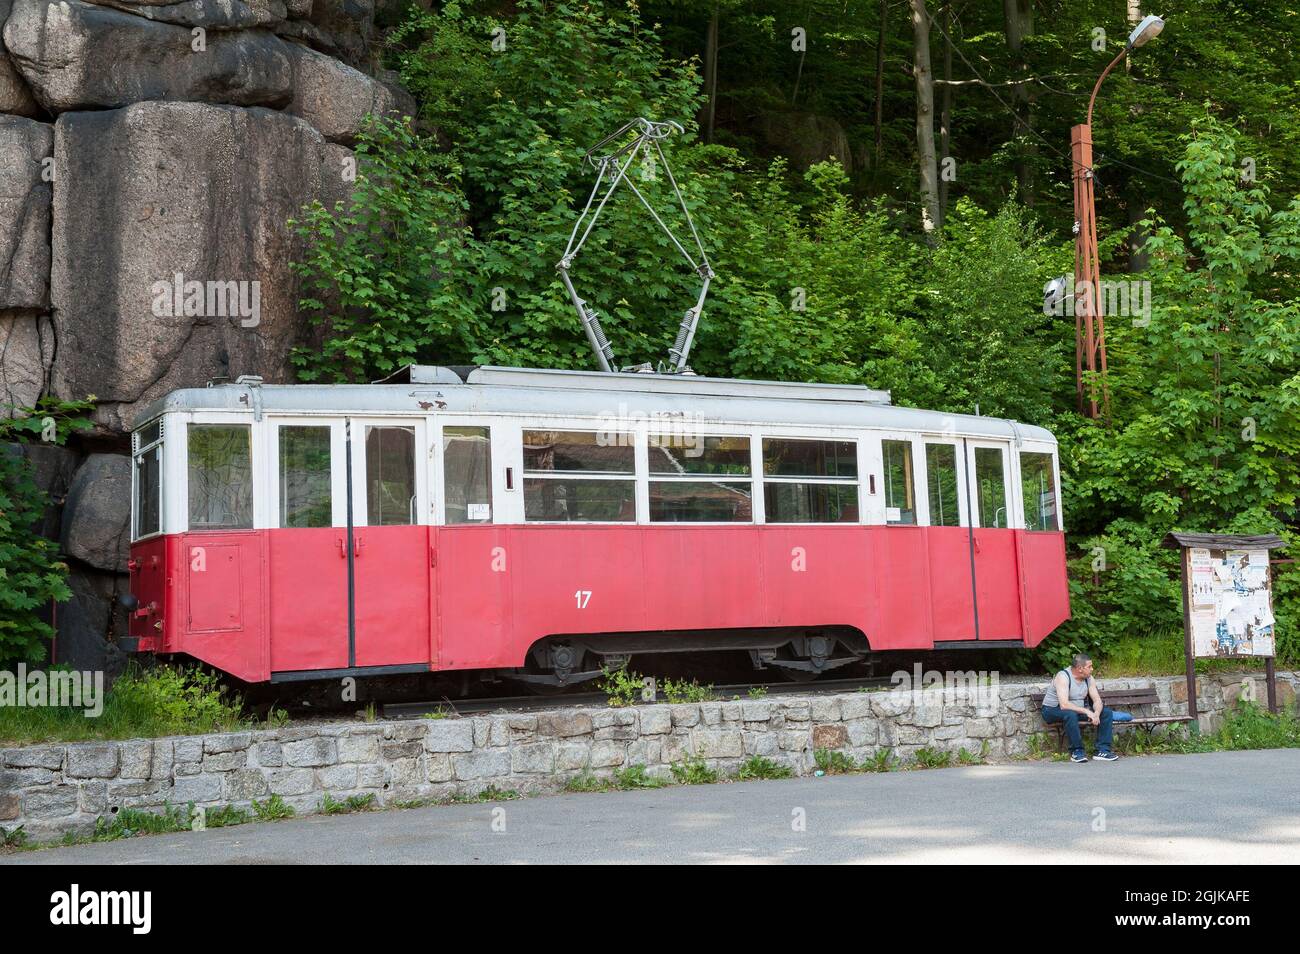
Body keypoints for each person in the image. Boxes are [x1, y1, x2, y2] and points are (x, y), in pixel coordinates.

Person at [1040, 653, 1118, 763]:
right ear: (1080, 668)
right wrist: (1087, 711)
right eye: (1089, 667)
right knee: (1070, 714)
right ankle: (1077, 751)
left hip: (1075, 710)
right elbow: (1064, 704)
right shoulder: (1063, 677)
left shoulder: (1089, 678)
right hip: (1052, 710)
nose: (1092, 669)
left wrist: (1096, 712)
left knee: (1106, 713)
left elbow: (1097, 700)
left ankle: (1102, 750)